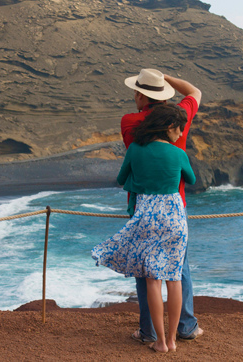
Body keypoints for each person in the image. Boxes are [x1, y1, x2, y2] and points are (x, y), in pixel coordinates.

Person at [92, 104, 196, 353]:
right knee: (174, 280)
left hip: (147, 217)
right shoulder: (177, 152)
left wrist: (138, 181)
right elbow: (190, 179)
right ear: (170, 127)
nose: (181, 134)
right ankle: (173, 340)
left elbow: (121, 179)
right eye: (179, 129)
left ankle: (159, 342)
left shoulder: (136, 149)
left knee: (152, 281)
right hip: (175, 218)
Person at [121, 69, 204, 344]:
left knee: (146, 271)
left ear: (141, 95)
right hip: (174, 206)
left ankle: (149, 332)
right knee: (179, 269)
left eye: (136, 93)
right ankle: (186, 327)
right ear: (164, 95)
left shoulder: (130, 122)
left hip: (142, 205)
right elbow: (195, 92)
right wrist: (165, 78)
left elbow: (126, 173)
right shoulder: (179, 117)